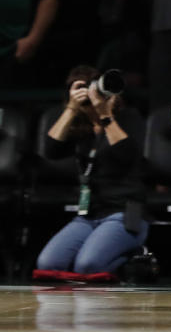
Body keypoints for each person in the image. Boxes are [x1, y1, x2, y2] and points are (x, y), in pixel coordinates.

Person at [36, 66, 149, 276]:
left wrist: (105, 114)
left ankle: (135, 260)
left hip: (124, 213)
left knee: (87, 266)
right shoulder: (82, 130)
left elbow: (125, 155)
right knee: (48, 263)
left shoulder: (129, 118)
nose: (92, 105)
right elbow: (50, 150)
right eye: (86, 101)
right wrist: (71, 109)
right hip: (88, 215)